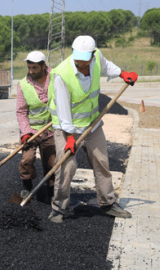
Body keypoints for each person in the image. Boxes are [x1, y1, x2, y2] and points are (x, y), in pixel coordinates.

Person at [47, 35, 138, 223]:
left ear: (93, 54)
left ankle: (108, 203)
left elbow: (107, 66)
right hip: (67, 127)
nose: (81, 64)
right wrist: (70, 137)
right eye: (77, 60)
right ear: (73, 53)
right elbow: (63, 111)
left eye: (84, 60)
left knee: (102, 161)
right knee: (67, 167)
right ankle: (58, 208)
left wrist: (123, 74)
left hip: (92, 123)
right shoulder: (62, 74)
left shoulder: (97, 59)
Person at [16, 51, 55, 202]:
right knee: (27, 159)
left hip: (51, 130)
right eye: (29, 68)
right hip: (31, 131)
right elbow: (21, 112)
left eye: (34, 68)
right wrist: (25, 133)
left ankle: (52, 192)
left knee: (53, 162)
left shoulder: (55, 79)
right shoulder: (23, 85)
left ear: (44, 66)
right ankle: (27, 187)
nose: (31, 71)